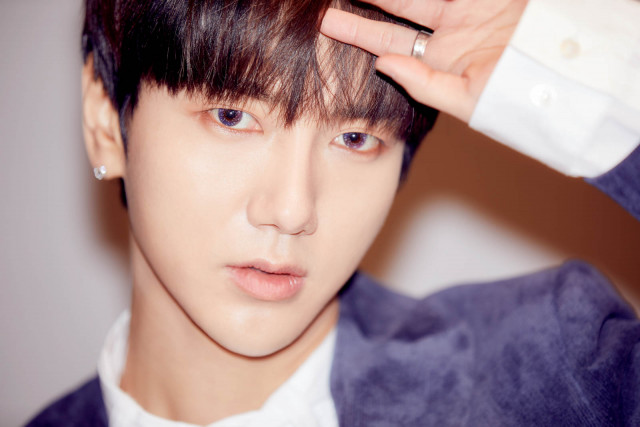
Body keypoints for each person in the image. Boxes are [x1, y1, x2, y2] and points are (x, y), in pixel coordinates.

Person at [27, 0, 640, 426]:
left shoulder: (562, 370)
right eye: (232, 117)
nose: (292, 210)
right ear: (105, 123)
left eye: (354, 138)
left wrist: (604, 86)